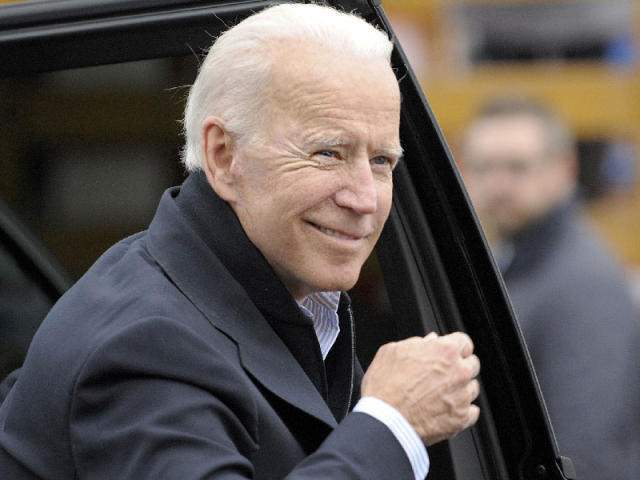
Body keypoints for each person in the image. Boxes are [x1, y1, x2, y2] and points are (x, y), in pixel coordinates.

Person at [0, 4, 481, 479]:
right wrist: (391, 427)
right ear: (224, 156)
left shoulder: (282, 297)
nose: (365, 200)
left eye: (381, 162)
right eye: (328, 153)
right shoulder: (148, 343)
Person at [460, 97, 640, 480]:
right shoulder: (519, 258)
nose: (498, 185)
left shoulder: (582, 286)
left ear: (565, 169)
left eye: (517, 167)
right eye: (483, 167)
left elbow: (586, 455)